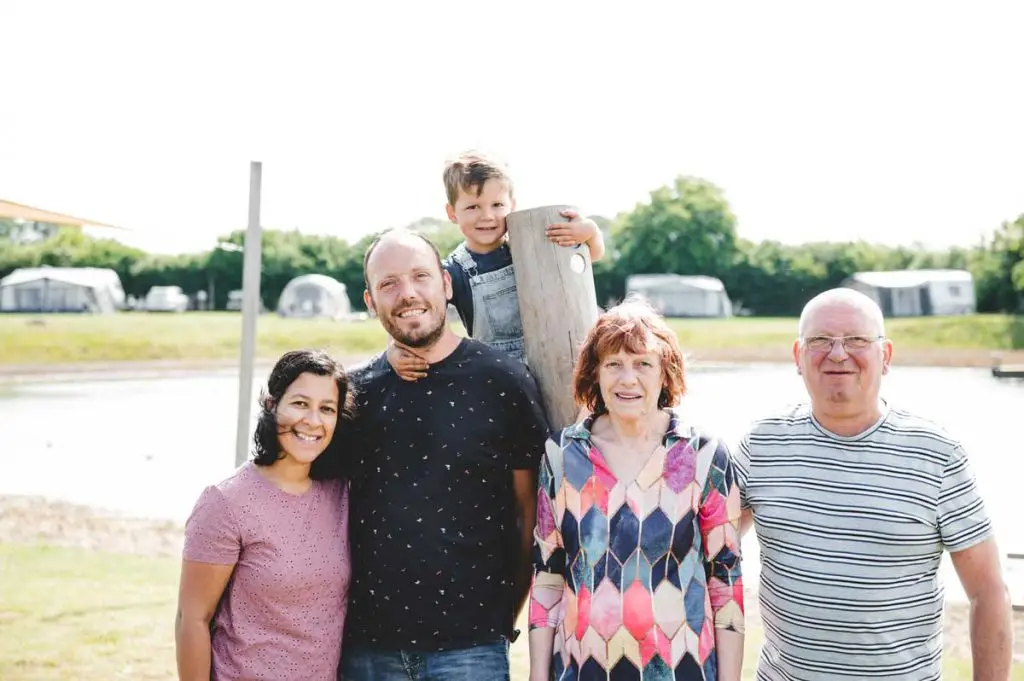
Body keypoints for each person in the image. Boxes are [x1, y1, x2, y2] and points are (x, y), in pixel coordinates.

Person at [735, 287, 1012, 680]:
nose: (837, 353)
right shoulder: (762, 445)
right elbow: (709, 551)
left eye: (856, 340)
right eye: (819, 340)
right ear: (798, 357)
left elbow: (988, 592)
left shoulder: (937, 454)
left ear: (886, 356)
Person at [339, 227, 551, 680]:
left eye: (420, 276)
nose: (408, 293)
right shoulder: (351, 396)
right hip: (366, 652)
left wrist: (501, 620)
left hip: (471, 648)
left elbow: (529, 515)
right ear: (370, 301)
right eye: (388, 283)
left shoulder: (503, 381)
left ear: (447, 285)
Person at [528, 298, 745, 681]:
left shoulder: (703, 456)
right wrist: (536, 676)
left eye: (643, 363)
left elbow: (725, 579)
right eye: (614, 364)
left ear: (666, 373)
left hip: (684, 669)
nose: (628, 379)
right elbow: (548, 574)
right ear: (595, 374)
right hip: (582, 670)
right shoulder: (561, 455)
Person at [175, 349, 355, 681]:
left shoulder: (341, 494)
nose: (313, 421)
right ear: (272, 405)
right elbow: (193, 619)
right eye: (300, 403)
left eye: (326, 409)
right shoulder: (225, 501)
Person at [389, 150, 605, 380]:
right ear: (452, 213)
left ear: (511, 205)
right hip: (500, 379)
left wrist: (590, 233)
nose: (487, 215)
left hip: (560, 363)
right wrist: (394, 349)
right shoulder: (453, 272)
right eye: (473, 207)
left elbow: (589, 257)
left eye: (497, 205)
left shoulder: (532, 246)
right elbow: (418, 307)